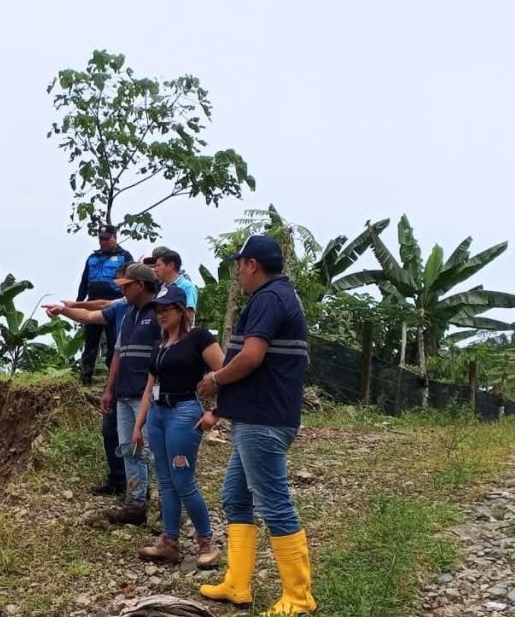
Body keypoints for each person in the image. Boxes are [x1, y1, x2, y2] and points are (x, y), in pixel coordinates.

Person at [195, 235, 316, 615]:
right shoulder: (283, 296)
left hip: (263, 420)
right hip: (258, 417)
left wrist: (215, 380)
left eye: (239, 265)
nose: (238, 273)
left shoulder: (267, 298)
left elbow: (250, 357)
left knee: (274, 503)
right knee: (235, 496)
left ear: (251, 265)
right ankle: (237, 584)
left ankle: (298, 596)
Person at [48, 262, 158, 525]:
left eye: (126, 286)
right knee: (128, 449)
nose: (123, 292)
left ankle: (161, 506)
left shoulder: (161, 312)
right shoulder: (125, 311)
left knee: (151, 451)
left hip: (148, 394)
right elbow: (113, 347)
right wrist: (110, 389)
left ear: (140, 285)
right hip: (124, 392)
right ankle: (135, 503)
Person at [131, 283, 223, 567]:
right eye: (158, 310)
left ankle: (207, 542)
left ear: (181, 311)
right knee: (166, 481)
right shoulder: (159, 346)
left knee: (183, 480)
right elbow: (149, 388)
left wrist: (217, 413)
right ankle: (169, 540)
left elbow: (226, 372)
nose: (161, 314)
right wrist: (139, 424)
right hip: (159, 414)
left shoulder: (199, 338)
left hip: (184, 412)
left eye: (167, 309)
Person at [76, 225, 134, 386]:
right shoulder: (92, 258)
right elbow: (84, 282)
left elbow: (131, 280)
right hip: (92, 304)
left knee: (114, 343)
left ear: (115, 237)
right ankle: (85, 379)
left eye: (107, 239)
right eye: (101, 239)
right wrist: (79, 302)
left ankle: (112, 381)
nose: (104, 242)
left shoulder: (124, 256)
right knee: (90, 343)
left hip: (114, 305)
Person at [148, 246, 199, 323]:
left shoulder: (188, 286)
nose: (155, 270)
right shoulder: (159, 287)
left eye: (158, 265)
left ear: (170, 265)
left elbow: (189, 316)